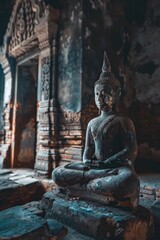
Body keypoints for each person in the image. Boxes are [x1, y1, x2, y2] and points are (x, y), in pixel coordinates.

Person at [52, 52, 139, 209]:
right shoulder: (92, 122)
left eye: (106, 93)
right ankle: (94, 185)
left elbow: (131, 150)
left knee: (128, 181)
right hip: (93, 169)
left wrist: (107, 163)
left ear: (117, 94)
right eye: (98, 94)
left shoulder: (123, 121)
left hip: (115, 169)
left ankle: (85, 186)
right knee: (58, 172)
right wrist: (87, 161)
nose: (100, 98)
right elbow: (88, 149)